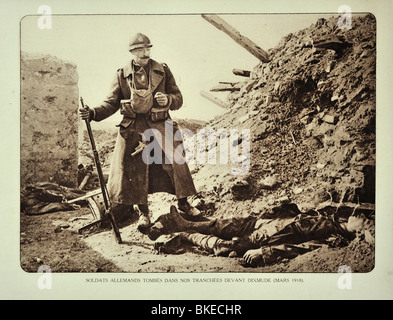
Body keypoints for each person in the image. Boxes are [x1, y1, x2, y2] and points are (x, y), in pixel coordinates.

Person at [79, 32, 199, 232]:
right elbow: (111, 103)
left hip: (161, 124)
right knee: (135, 170)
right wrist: (93, 113)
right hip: (134, 128)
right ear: (132, 52)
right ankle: (144, 213)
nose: (145, 53)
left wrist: (168, 100)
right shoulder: (122, 74)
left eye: (148, 48)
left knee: (176, 161)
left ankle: (184, 204)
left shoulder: (163, 70)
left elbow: (178, 97)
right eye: (140, 50)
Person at [147, 204, 374, 267]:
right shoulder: (332, 219)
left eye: (363, 219)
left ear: (361, 231)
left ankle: (185, 234)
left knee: (227, 246)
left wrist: (264, 252)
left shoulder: (334, 238)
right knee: (228, 224)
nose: (357, 216)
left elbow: (301, 249)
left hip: (268, 240)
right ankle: (188, 224)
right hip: (268, 223)